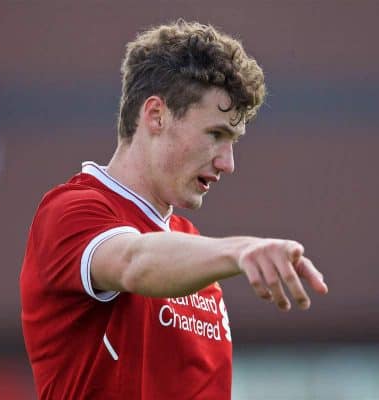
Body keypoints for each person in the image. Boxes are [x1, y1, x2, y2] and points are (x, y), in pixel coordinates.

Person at [20, 20, 328, 399]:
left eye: (232, 140)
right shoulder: (71, 210)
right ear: (155, 115)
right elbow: (134, 261)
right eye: (215, 134)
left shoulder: (191, 247)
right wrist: (240, 249)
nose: (227, 162)